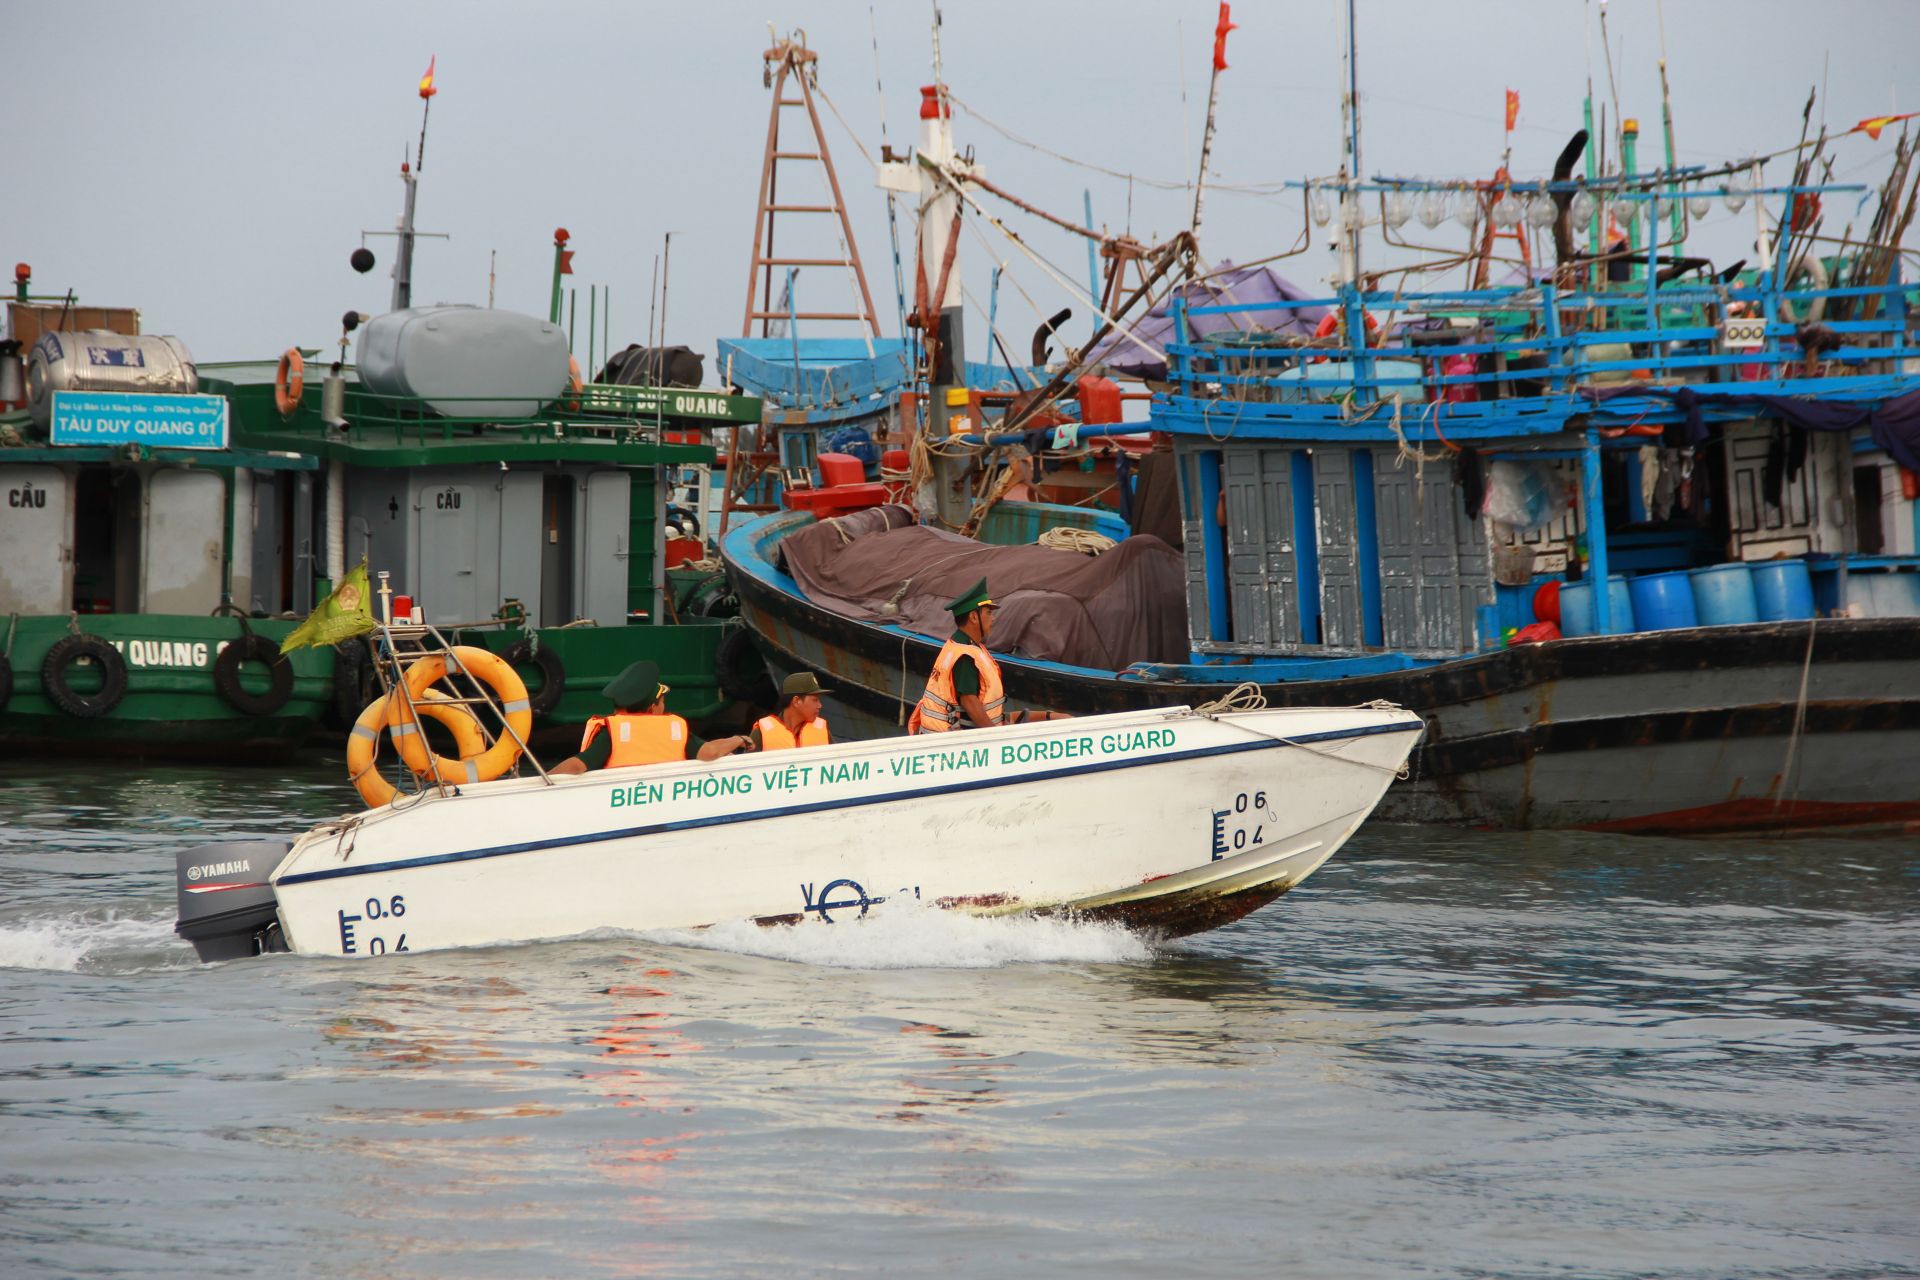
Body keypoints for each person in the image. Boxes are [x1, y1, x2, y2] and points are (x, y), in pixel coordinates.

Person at [909, 578, 1065, 732]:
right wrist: (994, 737)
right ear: (974, 617)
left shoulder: (959, 646)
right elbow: (970, 702)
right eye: (988, 613)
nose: (993, 618)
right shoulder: (966, 657)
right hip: (954, 746)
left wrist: (1049, 716)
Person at [551, 659, 749, 774]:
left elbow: (577, 765)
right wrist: (737, 739)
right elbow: (710, 752)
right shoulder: (674, 730)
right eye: (662, 701)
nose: (664, 706)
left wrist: (544, 778)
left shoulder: (614, 732)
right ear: (653, 708)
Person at [751, 672, 833, 751]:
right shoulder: (761, 732)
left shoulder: (822, 730)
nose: (820, 705)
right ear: (796, 701)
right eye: (815, 700)